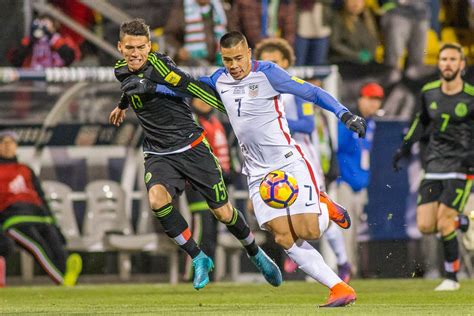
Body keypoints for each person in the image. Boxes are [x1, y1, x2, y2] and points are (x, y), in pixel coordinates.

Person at [123, 31, 367, 307]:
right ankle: (338, 287)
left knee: (309, 231)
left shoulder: (269, 73)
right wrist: (152, 88)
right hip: (257, 171)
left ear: (249, 53)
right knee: (283, 237)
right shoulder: (219, 78)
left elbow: (311, 91)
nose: (234, 65)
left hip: (287, 161)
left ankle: (324, 206)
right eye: (228, 60)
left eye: (239, 58)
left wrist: (344, 114)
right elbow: (186, 88)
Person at [109, 19, 282, 290]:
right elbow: (129, 86)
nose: (135, 53)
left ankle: (255, 252)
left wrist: (238, 116)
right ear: (120, 47)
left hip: (192, 148)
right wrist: (121, 105)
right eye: (129, 47)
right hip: (158, 152)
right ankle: (198, 257)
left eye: (141, 47)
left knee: (223, 213)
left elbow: (192, 88)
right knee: (157, 200)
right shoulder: (120, 70)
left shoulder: (162, 67)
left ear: (150, 46)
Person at [253, 37, 352, 283]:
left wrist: (274, 123)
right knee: (284, 208)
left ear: (286, 63)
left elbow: (308, 124)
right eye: (264, 61)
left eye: (274, 61)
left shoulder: (293, 91)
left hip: (300, 154)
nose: (269, 66)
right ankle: (297, 248)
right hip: (271, 159)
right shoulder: (254, 89)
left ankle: (341, 260)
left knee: (311, 213)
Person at [393, 43, 473, 291]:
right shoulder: (429, 92)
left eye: (452, 59)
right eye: (443, 59)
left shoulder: (471, 96)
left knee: (445, 222)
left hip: (461, 166)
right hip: (434, 165)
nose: (447, 63)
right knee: (427, 226)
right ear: (439, 64)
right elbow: (421, 123)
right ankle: (465, 221)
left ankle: (451, 278)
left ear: (461, 65)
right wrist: (404, 149)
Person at [0, 130, 82, 286]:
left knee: (57, 246)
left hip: (39, 216)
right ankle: (62, 280)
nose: (7, 146)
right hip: (14, 219)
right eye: (3, 142)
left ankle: (67, 276)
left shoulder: (26, 169)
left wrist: (54, 223)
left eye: (11, 143)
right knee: (39, 247)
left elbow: (41, 197)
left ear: (16, 146)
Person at [336, 82, 384, 277]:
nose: (374, 104)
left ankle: (351, 269)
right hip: (345, 182)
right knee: (344, 232)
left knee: (355, 233)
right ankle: (344, 270)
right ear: (360, 99)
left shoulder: (370, 122)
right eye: (370, 99)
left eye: (377, 100)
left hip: (360, 183)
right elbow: (338, 149)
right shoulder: (348, 121)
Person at [183, 98, 232, 281]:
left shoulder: (215, 121)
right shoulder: (193, 120)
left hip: (217, 185)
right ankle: (191, 275)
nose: (205, 103)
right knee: (200, 231)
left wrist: (229, 170)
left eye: (207, 99)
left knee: (212, 234)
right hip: (198, 186)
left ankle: (209, 275)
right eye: (200, 99)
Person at [164, 0, 230, 66]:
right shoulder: (181, 8)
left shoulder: (221, 8)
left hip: (218, 63)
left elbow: (232, 33)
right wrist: (179, 50)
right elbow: (169, 35)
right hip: (190, 64)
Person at [7, 14, 80, 68]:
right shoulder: (29, 40)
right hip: (31, 76)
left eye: (45, 23)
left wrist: (51, 37)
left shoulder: (61, 39)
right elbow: (15, 59)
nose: (42, 26)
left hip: (54, 76)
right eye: (40, 23)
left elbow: (71, 57)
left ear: (54, 26)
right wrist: (31, 41)